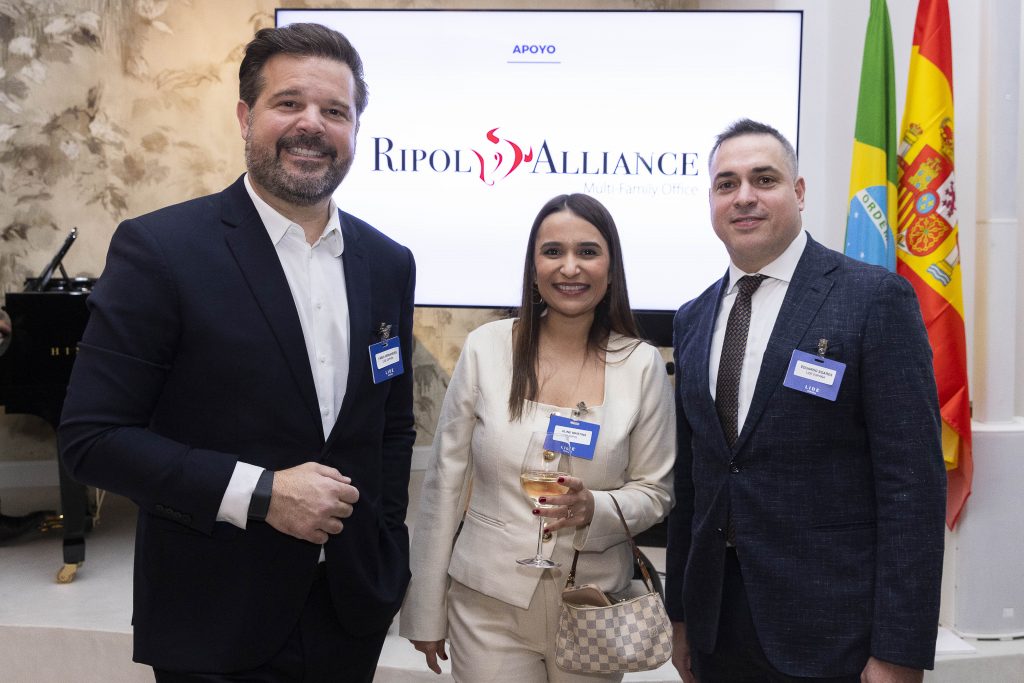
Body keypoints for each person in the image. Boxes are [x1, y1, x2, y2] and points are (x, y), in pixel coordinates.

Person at [58, 23, 415, 682]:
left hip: (350, 610)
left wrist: (387, 546)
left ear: (356, 129)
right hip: (213, 614)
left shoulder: (389, 262)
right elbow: (92, 438)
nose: (312, 124)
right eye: (289, 103)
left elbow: (391, 426)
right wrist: (263, 492)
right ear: (246, 117)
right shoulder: (161, 251)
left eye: (335, 111)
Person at [665, 119, 946, 683]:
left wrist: (900, 649)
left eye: (764, 179)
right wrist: (682, 617)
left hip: (833, 636)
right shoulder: (692, 319)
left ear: (798, 192)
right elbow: (693, 486)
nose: (744, 196)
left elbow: (912, 487)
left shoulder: (873, 299)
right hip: (718, 628)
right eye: (726, 184)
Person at [399, 193, 674, 682]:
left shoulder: (641, 364)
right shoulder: (487, 348)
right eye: (552, 252)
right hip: (486, 606)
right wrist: (425, 607)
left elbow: (655, 492)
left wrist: (596, 508)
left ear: (611, 269)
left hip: (592, 607)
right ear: (532, 268)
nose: (570, 267)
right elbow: (444, 485)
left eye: (587, 252)